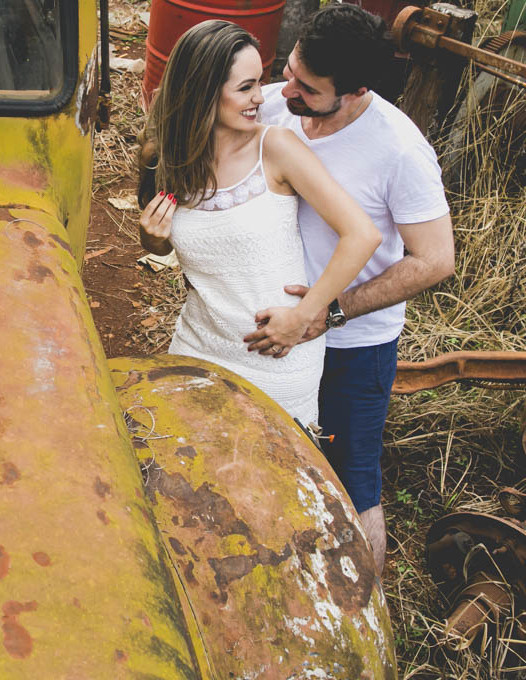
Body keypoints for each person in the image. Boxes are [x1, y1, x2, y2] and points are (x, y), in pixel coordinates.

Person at [247, 4, 455, 575]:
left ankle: (368, 611)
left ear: (357, 90)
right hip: (271, 332)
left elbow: (435, 260)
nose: (287, 90)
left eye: (308, 89)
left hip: (352, 346)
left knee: (353, 482)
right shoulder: (276, 103)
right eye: (290, 70)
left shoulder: (400, 150)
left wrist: (330, 313)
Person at [137, 20, 381, 427]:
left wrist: (304, 315)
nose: (260, 98)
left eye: (260, 83)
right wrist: (153, 241)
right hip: (197, 344)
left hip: (276, 355)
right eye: (246, 87)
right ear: (203, 90)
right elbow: (170, 247)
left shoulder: (276, 148)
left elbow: (362, 235)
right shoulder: (166, 156)